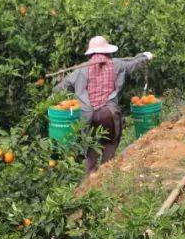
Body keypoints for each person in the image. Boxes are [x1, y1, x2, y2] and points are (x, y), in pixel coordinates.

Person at [54, 35, 153, 173]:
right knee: (111, 143)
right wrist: (145, 56)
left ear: (92, 53)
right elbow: (134, 64)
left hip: (89, 116)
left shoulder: (81, 70)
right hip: (109, 113)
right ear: (107, 51)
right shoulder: (117, 64)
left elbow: (60, 88)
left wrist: (76, 92)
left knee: (91, 148)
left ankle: (91, 177)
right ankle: (106, 174)